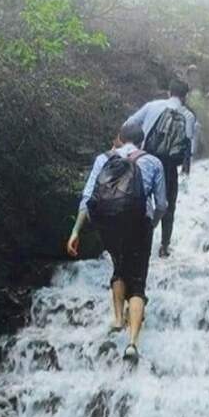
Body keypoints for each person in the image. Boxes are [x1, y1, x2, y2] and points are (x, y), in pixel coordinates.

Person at [66, 124, 167, 364]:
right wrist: (151, 225)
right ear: (142, 142)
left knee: (119, 267)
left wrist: (75, 231)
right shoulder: (152, 162)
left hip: (108, 225)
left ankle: (118, 319)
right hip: (139, 224)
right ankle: (132, 343)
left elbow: (89, 197)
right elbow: (162, 204)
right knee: (138, 281)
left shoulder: (104, 159)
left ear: (119, 139)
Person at [123, 77, 196, 258]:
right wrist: (186, 166)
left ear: (169, 92)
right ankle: (164, 246)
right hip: (169, 166)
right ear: (185, 96)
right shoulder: (188, 115)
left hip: (145, 161)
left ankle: (135, 240)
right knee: (167, 205)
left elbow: (128, 125)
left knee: (139, 199)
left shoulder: (152, 106)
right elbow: (189, 145)